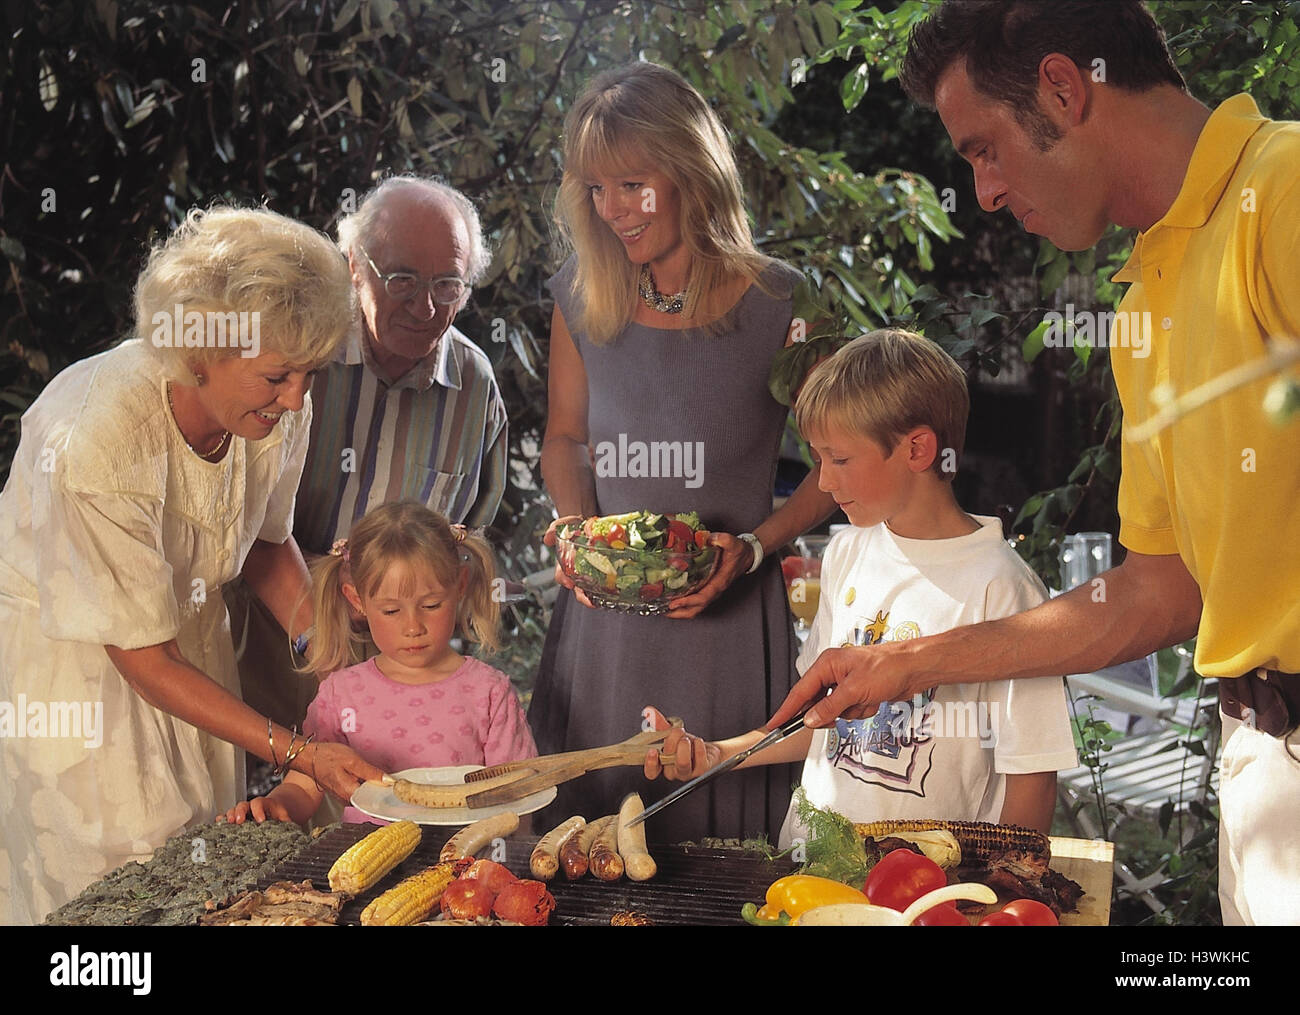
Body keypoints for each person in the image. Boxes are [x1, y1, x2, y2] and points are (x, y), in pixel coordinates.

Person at [770, 0, 1300, 925]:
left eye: (983, 149)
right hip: (1257, 762)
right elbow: (1157, 593)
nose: (982, 192)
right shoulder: (1141, 297)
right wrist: (908, 663)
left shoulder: (1285, 189)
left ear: (1063, 87)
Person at [0, 206, 385, 924]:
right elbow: (144, 658)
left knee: (206, 879)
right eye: (278, 375)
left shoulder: (276, 408)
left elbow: (267, 541)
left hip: (192, 658)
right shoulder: (95, 438)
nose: (298, 397)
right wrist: (301, 750)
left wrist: (330, 653)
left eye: (311, 372)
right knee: (116, 900)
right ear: (199, 353)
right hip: (85, 683)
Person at [530, 62, 837, 844]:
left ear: (692, 170)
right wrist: (577, 535)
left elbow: (844, 465)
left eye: (632, 184)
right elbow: (563, 437)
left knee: (724, 869)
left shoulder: (784, 302)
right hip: (603, 633)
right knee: (588, 859)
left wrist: (756, 548)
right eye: (596, 189)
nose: (613, 211)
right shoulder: (579, 292)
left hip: (730, 634)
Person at [646, 331, 1077, 840]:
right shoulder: (847, 552)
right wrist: (715, 755)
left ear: (918, 449)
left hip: (924, 897)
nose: (824, 482)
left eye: (840, 459)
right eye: (818, 459)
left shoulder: (1004, 589)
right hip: (805, 872)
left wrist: (1005, 898)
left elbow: (1032, 776)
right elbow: (817, 724)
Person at [230, 175, 509, 733]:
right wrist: (324, 643)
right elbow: (243, 517)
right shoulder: (298, 356)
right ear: (354, 264)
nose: (425, 306)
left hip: (383, 669)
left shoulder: (475, 389)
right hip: (250, 642)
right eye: (403, 280)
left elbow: (467, 544)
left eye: (447, 285)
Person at [224, 501, 536, 826]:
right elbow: (305, 786)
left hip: (469, 868)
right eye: (391, 611)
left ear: (459, 585)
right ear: (357, 600)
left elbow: (520, 795)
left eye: (430, 605)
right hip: (368, 873)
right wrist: (276, 806)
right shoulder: (340, 695)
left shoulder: (489, 692)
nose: (413, 626)